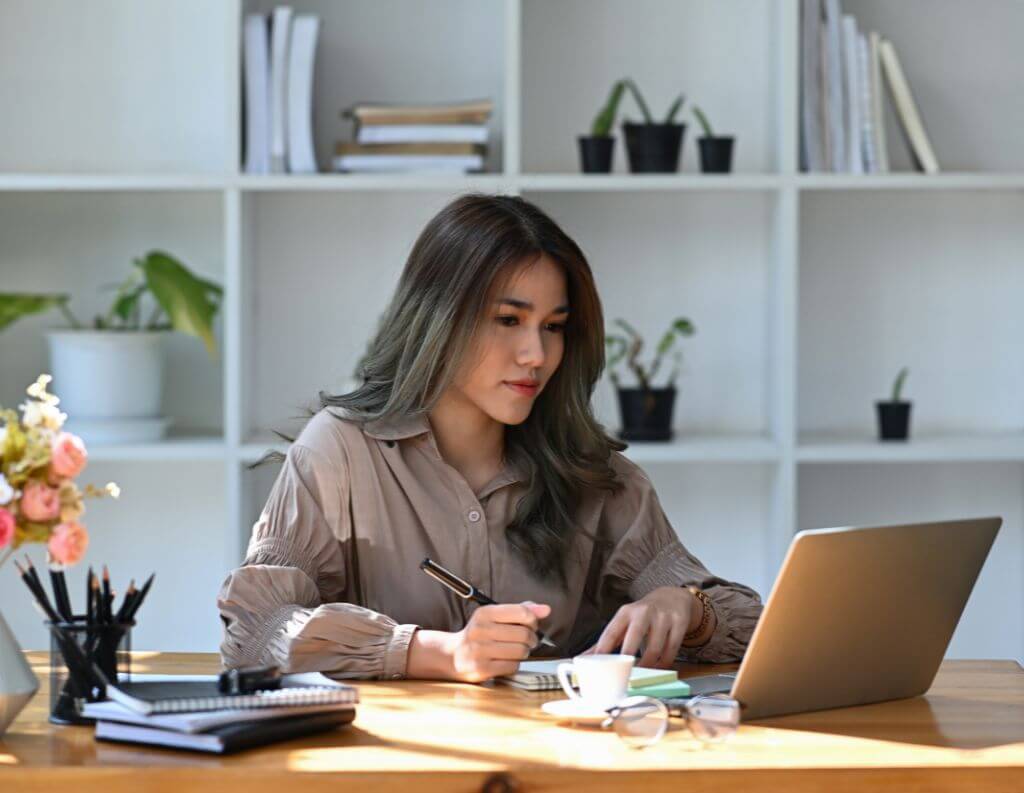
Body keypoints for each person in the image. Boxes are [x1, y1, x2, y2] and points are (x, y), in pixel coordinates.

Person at [217, 193, 763, 683]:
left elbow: (755, 626)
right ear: (439, 318)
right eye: (509, 320)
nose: (537, 354)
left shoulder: (593, 472)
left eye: (553, 327)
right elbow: (256, 632)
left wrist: (686, 607)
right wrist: (435, 652)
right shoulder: (339, 452)